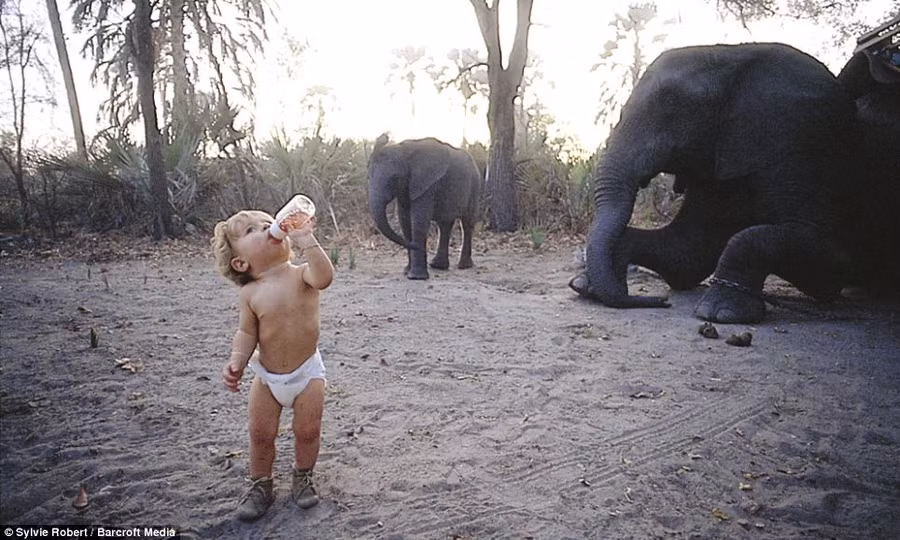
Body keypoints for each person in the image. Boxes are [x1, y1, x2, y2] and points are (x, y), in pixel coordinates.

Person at [210, 208, 334, 522]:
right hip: (266, 378)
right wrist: (237, 361)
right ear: (241, 263)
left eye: (269, 223)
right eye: (253, 230)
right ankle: (261, 484)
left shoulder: (300, 273)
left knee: (307, 430)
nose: (269, 228)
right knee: (260, 433)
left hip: (307, 373)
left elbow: (325, 277)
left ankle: (302, 475)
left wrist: (307, 239)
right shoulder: (250, 293)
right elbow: (247, 332)